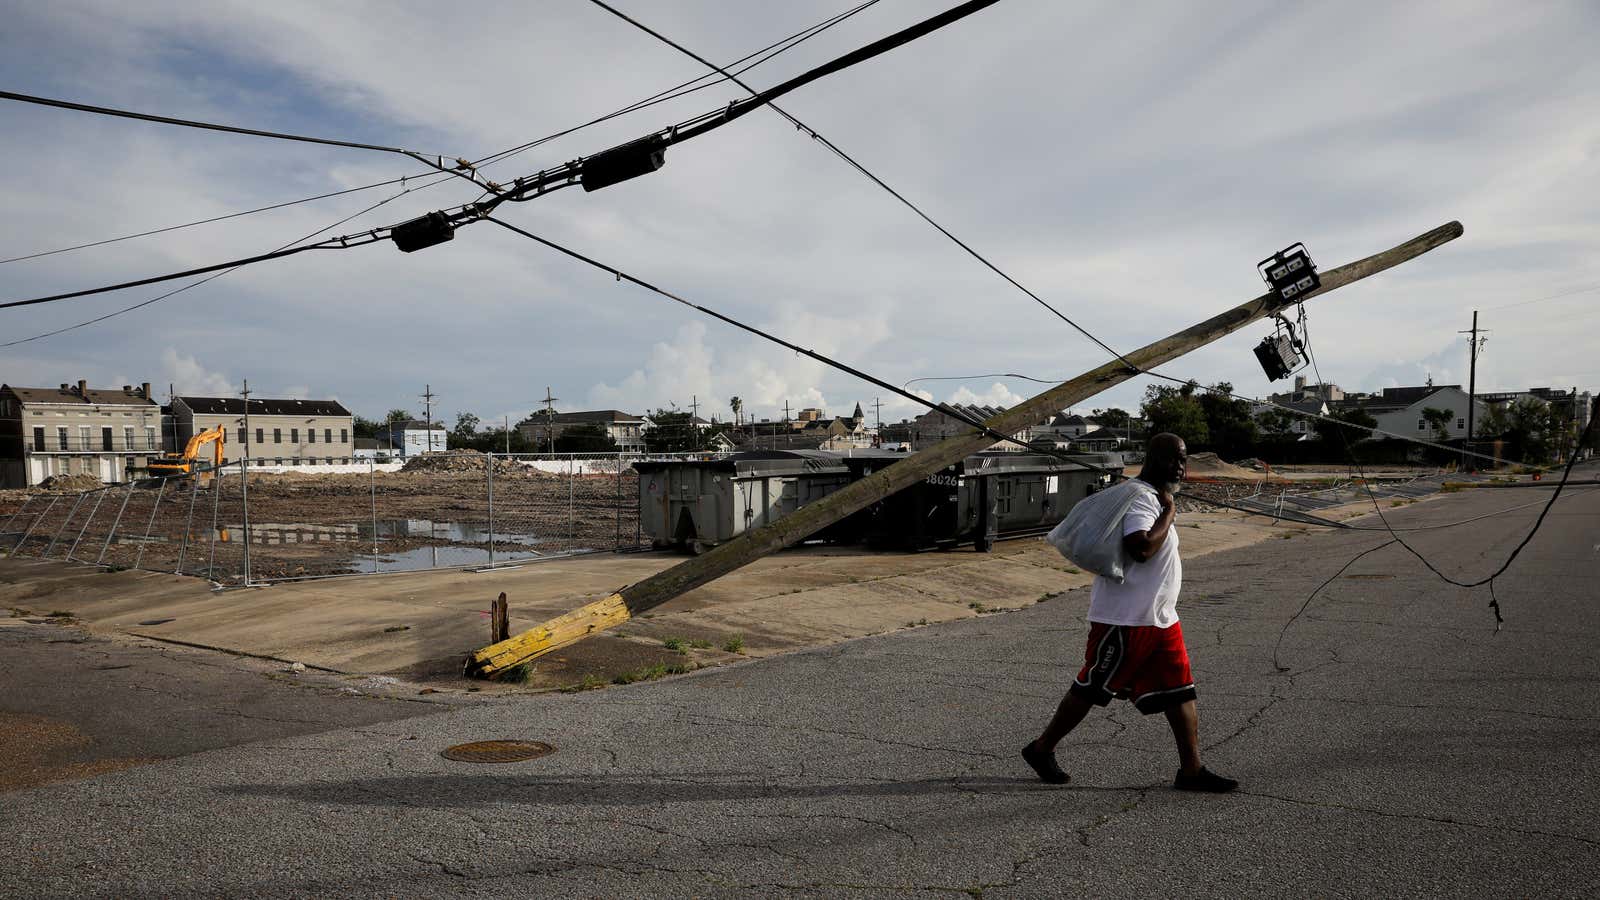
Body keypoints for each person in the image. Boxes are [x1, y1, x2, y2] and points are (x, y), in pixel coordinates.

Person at [1021, 433, 1237, 792]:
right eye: (1175, 459)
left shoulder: (1153, 497)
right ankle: (1041, 748)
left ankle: (1191, 770)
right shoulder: (1143, 500)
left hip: (1160, 618)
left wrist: (1166, 507)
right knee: (1091, 687)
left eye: (1184, 459)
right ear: (1154, 459)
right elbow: (1140, 548)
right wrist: (1169, 511)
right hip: (1125, 618)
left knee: (1181, 691)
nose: (1181, 467)